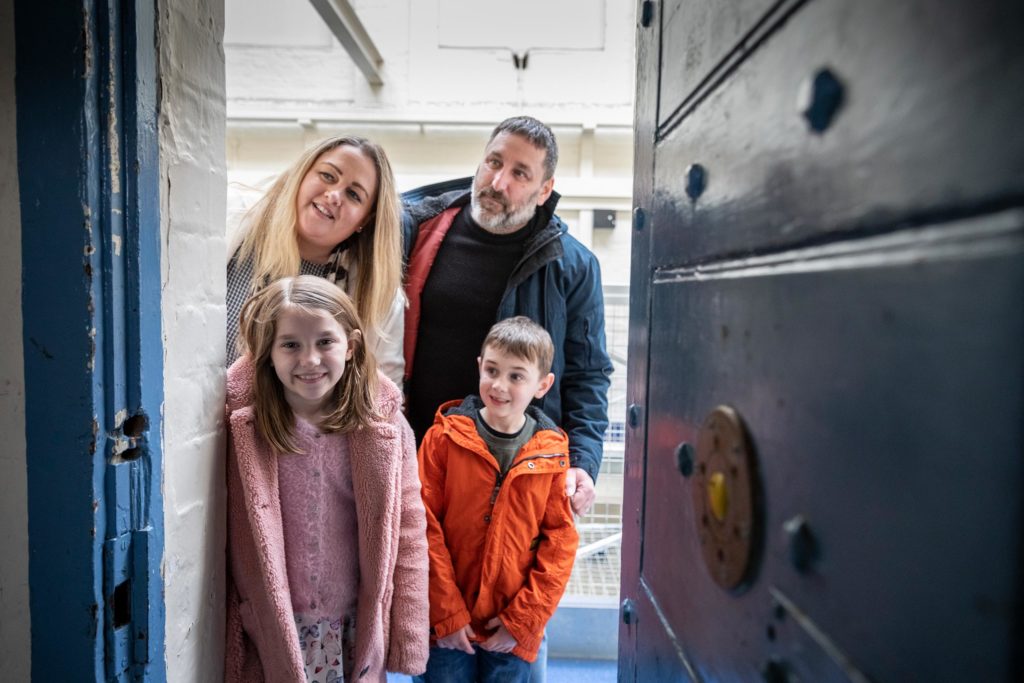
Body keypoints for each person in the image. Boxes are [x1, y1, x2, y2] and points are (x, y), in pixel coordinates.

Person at [403, 115, 613, 518]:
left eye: (520, 173)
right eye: (494, 163)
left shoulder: (574, 265)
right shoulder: (419, 232)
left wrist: (584, 462)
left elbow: (588, 375)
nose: (498, 183)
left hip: (518, 476)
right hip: (419, 466)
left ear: (544, 189)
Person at [223, 275, 428, 682]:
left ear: (350, 346)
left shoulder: (385, 429)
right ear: (268, 352)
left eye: (325, 342)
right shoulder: (242, 428)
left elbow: (408, 532)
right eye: (291, 345)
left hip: (352, 627)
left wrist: (408, 635)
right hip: (271, 628)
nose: (310, 360)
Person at [416, 317, 579, 682]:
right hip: (443, 623)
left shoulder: (553, 452)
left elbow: (560, 543)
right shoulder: (442, 440)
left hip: (511, 625)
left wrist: (522, 621)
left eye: (516, 376)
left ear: (542, 385)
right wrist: (446, 614)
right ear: (479, 366)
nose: (499, 385)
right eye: (492, 370)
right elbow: (422, 527)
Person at [227, 136, 406, 386]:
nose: (334, 195)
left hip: (297, 426)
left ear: (365, 219)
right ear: (302, 174)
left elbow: (384, 397)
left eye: (354, 194)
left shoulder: (378, 293)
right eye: (328, 176)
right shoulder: (232, 224)